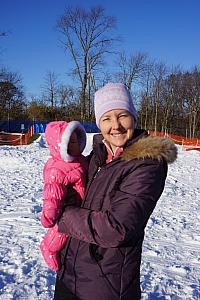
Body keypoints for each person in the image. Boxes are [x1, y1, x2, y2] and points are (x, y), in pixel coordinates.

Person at [53, 83, 177, 300]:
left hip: (106, 286)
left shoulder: (147, 163)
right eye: (107, 118)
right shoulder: (97, 156)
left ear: (134, 118)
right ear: (99, 123)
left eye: (122, 115)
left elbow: (116, 228)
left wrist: (61, 213)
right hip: (68, 276)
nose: (116, 126)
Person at [40, 120, 87, 272]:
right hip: (64, 210)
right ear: (60, 145)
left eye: (76, 141)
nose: (75, 145)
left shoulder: (80, 159)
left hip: (78, 206)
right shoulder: (56, 169)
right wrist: (49, 216)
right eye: (71, 142)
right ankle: (48, 249)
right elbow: (52, 197)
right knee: (60, 232)